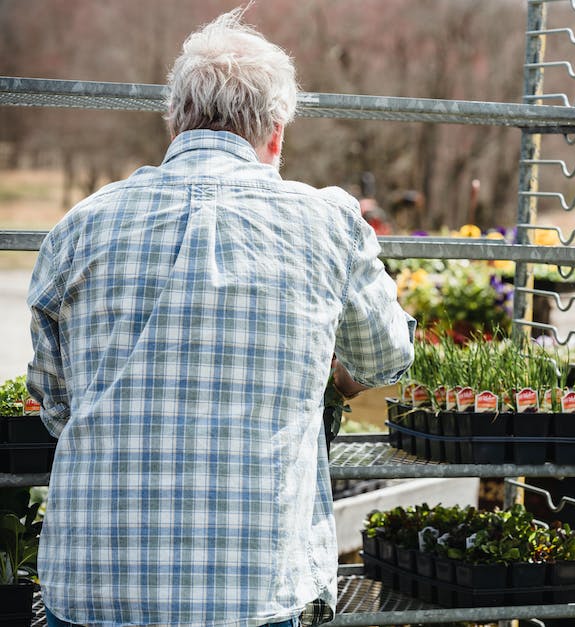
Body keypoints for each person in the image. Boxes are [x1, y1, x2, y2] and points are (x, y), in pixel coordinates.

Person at [27, 8, 415, 626]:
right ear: (277, 133)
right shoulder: (329, 221)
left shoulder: (82, 224)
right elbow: (386, 357)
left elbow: (54, 401)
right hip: (256, 589)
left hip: (95, 582)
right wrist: (329, 377)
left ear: (175, 122)